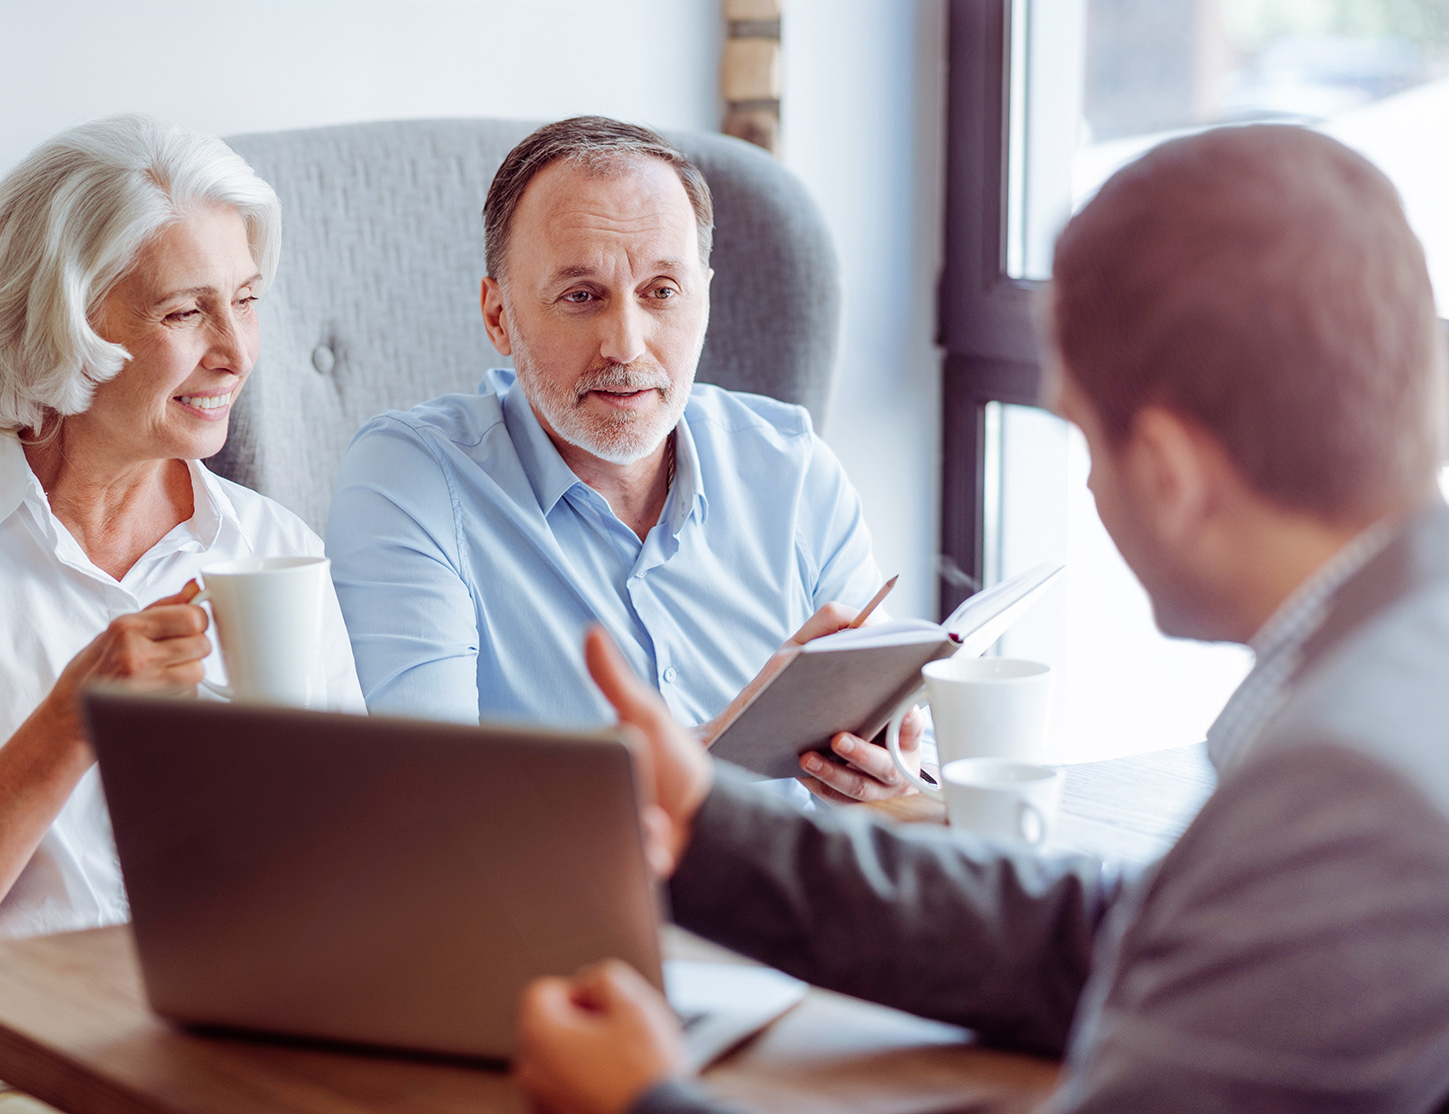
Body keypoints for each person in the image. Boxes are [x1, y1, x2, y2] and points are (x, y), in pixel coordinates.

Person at [511, 125, 1449, 1113]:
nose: (1086, 481)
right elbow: (1111, 936)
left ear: (1169, 474)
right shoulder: (1400, 662)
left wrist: (643, 1103)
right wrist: (707, 823)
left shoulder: (1348, 787)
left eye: (1082, 435)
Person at [0, 116, 363, 1114]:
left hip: (232, 1052)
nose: (235, 354)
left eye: (246, 303)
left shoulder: (275, 551)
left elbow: (354, 882)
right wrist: (74, 718)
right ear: (66, 323)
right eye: (184, 313)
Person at [327, 116, 920, 805]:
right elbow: (430, 802)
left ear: (703, 299)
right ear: (498, 317)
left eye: (661, 292)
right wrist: (735, 742)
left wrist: (883, 772)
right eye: (581, 297)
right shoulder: (411, 479)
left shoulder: (792, 467)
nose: (626, 346)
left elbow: (905, 772)